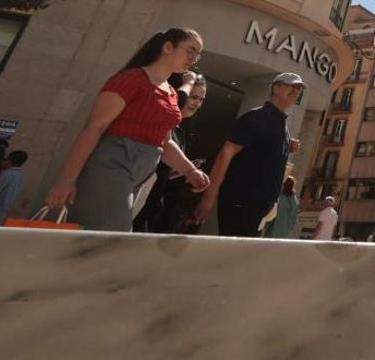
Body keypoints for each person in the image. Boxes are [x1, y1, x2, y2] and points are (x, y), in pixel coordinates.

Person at [46, 28, 210, 231]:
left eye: (198, 54)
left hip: (141, 173)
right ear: (168, 47)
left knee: (97, 241)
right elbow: (94, 128)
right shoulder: (132, 79)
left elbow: (165, 141)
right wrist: (67, 179)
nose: (194, 59)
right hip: (112, 163)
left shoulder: (171, 93)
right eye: (190, 50)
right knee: (114, 236)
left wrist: (190, 170)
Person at [193, 73, 303, 237]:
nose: (296, 91)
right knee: (232, 255)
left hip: (261, 207)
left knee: (241, 257)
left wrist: (287, 147)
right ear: (276, 87)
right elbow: (226, 152)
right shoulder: (257, 117)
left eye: (299, 88)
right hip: (242, 202)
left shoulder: (282, 125)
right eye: (292, 86)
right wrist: (209, 196)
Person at [133, 74, 207, 233]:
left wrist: (185, 170)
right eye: (193, 97)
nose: (197, 103)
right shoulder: (160, 122)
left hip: (156, 201)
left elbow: (166, 167)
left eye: (201, 99)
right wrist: (189, 170)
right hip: (137, 194)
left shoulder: (181, 132)